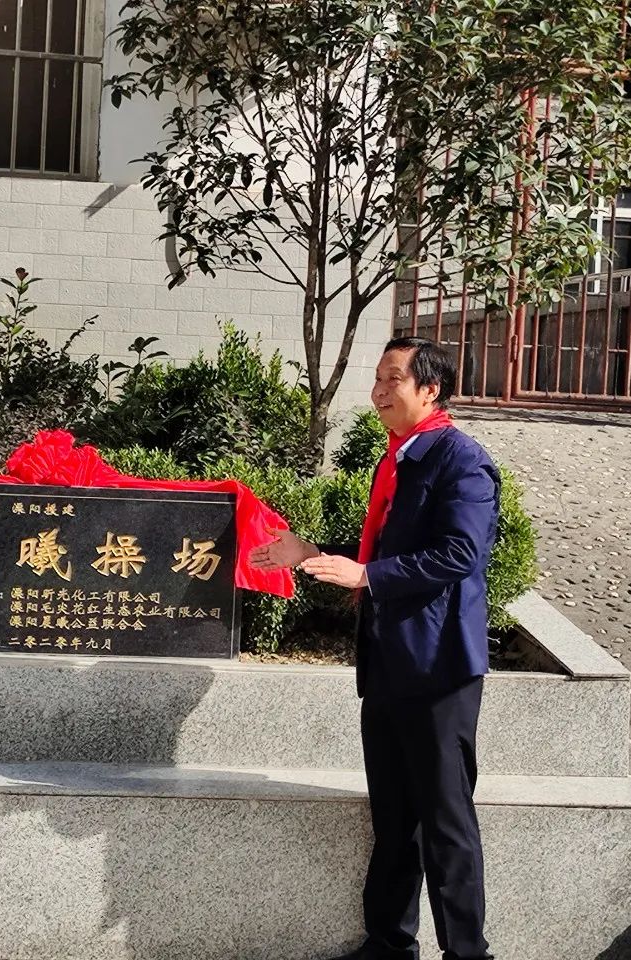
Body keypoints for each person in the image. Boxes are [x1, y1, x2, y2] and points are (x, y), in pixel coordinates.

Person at [251, 337, 499, 960]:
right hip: (389, 661)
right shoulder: (397, 459)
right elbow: (386, 550)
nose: (380, 391)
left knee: (445, 820)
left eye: (394, 379)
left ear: (430, 390)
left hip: (438, 667)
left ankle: (468, 953)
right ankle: (388, 944)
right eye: (379, 379)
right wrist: (312, 553)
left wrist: (367, 575)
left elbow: (460, 553)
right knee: (393, 816)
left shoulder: (460, 460)